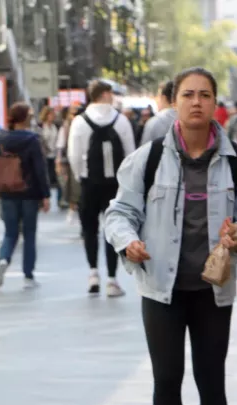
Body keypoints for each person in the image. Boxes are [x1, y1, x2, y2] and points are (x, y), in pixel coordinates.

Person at [104, 67, 237, 405]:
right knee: (166, 379)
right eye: (188, 94)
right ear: (174, 101)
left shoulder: (235, 160)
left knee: (211, 381)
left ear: (216, 103)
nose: (197, 102)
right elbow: (118, 212)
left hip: (213, 291)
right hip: (162, 289)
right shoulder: (149, 158)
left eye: (205, 95)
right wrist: (127, 240)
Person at [68, 79, 136, 296]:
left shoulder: (79, 122)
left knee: (89, 230)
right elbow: (130, 154)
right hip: (114, 185)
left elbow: (74, 156)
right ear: (106, 94)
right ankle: (113, 279)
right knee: (112, 230)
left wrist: (80, 176)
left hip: (89, 183)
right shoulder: (121, 120)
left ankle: (93, 273)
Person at [0, 102, 50, 289]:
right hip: (29, 192)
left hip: (7, 192)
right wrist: (45, 195)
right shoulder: (32, 139)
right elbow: (40, 169)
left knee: (10, 232)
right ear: (26, 118)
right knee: (30, 234)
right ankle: (28, 275)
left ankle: (3, 259)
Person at [37, 105, 60, 212]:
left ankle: (55, 200)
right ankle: (44, 200)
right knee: (45, 177)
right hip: (44, 156)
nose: (53, 116)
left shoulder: (55, 126)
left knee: (53, 178)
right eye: (51, 114)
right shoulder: (41, 127)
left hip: (54, 155)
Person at [141, 81, 178, 145]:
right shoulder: (187, 120)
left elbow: (144, 150)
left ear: (163, 98)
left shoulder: (153, 122)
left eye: (159, 96)